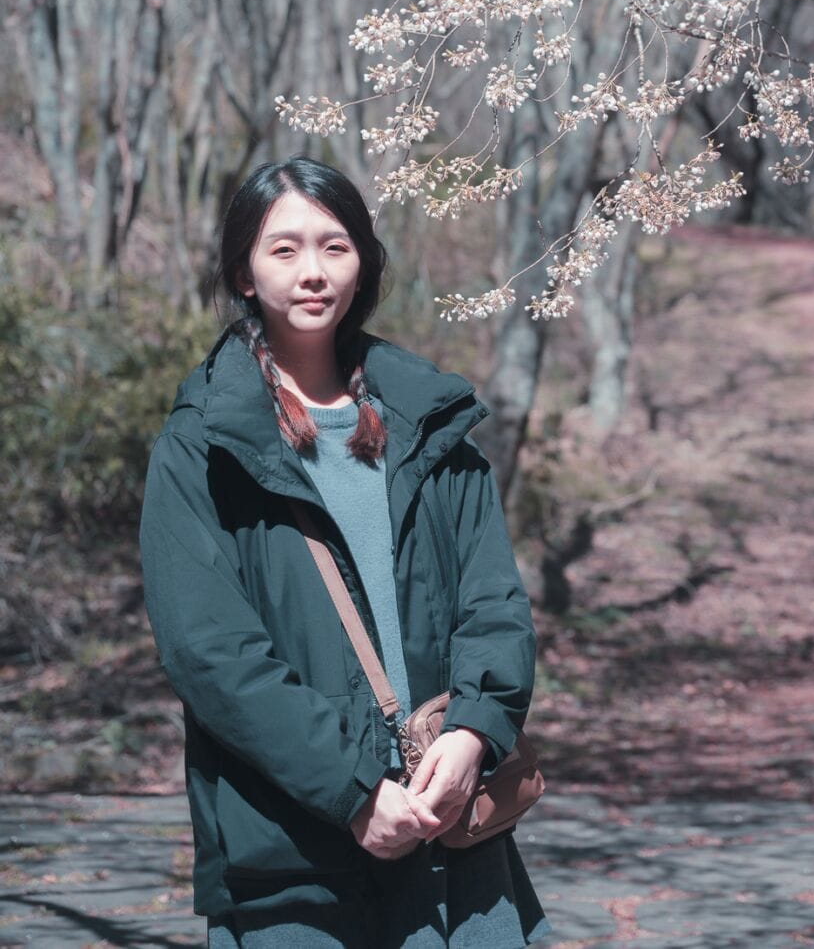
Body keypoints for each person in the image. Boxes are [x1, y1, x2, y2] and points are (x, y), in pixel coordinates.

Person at [140, 157, 547, 949]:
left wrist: (472, 734)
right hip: (291, 854)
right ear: (244, 273)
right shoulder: (202, 446)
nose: (313, 272)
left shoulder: (430, 424)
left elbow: (494, 604)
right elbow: (211, 653)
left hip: (449, 829)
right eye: (283, 250)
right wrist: (354, 791)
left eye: (335, 247)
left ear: (364, 264)